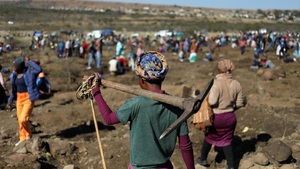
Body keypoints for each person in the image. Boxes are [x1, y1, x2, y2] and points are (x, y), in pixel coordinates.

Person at [87, 51, 195, 169]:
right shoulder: (178, 106)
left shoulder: (135, 104)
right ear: (162, 78)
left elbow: (108, 119)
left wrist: (96, 92)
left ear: (142, 80)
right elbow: (185, 146)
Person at [197, 59, 246, 169]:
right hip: (230, 117)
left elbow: (213, 101)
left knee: (209, 137)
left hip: (216, 117)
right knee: (227, 140)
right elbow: (239, 103)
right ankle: (231, 166)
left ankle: (203, 159)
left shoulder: (216, 83)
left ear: (219, 70)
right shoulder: (236, 84)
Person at [7, 56, 42, 146]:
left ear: (20, 66)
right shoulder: (14, 75)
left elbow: (38, 69)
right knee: (20, 120)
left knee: (23, 119)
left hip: (28, 98)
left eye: (15, 66)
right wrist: (10, 99)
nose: (13, 68)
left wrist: (29, 61)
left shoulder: (30, 72)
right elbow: (14, 89)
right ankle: (23, 138)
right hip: (19, 98)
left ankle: (28, 135)